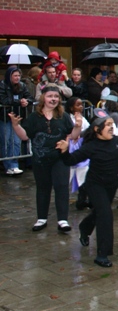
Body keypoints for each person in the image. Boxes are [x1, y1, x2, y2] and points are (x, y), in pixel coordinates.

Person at [56, 109, 118, 267]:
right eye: (107, 125)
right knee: (106, 215)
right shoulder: (91, 146)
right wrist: (64, 151)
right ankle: (102, 254)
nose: (111, 128)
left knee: (100, 211)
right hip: (95, 185)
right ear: (96, 129)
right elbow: (71, 160)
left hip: (111, 185)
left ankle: (84, 227)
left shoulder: (116, 141)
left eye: (112, 124)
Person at [8, 85, 83, 231]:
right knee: (43, 188)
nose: (53, 99)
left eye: (56, 97)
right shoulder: (34, 117)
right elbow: (24, 136)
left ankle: (62, 220)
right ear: (43, 98)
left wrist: (78, 126)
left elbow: (73, 136)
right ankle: (41, 218)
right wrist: (15, 125)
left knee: (61, 187)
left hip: (60, 157)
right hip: (40, 159)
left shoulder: (64, 116)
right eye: (50, 96)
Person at [0, 67, 34, 175]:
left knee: (16, 141)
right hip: (5, 117)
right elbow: (4, 100)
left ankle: (14, 165)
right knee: (7, 141)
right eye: (15, 75)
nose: (17, 78)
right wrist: (19, 101)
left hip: (18, 117)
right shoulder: (2, 85)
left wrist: (26, 101)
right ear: (9, 76)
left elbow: (30, 97)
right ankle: (8, 165)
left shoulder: (22, 86)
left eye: (19, 75)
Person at [65, 97, 91, 210]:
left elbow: (88, 130)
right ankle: (63, 198)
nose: (81, 107)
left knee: (83, 173)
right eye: (78, 105)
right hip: (71, 148)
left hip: (81, 149)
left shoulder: (83, 118)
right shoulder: (67, 118)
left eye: (81, 105)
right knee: (68, 174)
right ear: (71, 107)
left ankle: (82, 199)